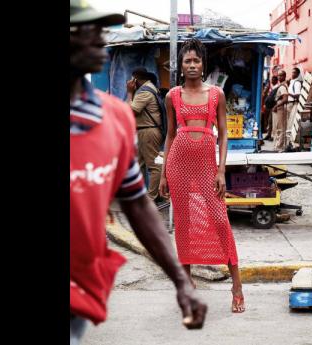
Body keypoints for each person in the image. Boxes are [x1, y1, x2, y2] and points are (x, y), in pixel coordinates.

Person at [70, 2, 207, 344]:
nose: (101, 39)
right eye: (88, 31)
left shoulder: (113, 117)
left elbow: (135, 203)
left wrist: (180, 280)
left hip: (80, 292)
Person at [158, 38, 245, 313]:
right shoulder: (172, 95)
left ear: (203, 64)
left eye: (197, 60)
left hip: (208, 166)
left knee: (220, 221)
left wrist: (221, 170)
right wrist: (163, 175)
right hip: (178, 164)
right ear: (181, 66)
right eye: (188, 61)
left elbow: (223, 133)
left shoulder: (216, 94)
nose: (192, 65)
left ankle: (237, 287)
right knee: (183, 225)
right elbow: (170, 135)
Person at [126, 67, 164, 204]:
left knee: (154, 166)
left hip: (148, 131)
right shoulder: (149, 88)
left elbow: (131, 110)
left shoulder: (144, 92)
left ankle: (151, 197)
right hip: (145, 130)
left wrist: (129, 93)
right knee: (139, 164)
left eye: (132, 79)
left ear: (135, 79)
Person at [285, 67, 302, 150]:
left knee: (291, 124)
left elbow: (298, 95)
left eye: (294, 73)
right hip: (289, 104)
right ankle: (288, 144)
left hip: (293, 104)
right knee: (288, 124)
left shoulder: (297, 83)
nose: (292, 74)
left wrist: (288, 94)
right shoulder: (292, 82)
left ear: (298, 74)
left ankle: (290, 145)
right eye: (292, 72)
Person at [272, 69, 289, 152]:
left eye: (281, 75)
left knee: (281, 128)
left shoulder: (282, 86)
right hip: (279, 108)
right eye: (278, 75)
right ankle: (278, 146)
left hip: (281, 109)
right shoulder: (281, 85)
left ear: (284, 76)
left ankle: (280, 147)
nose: (279, 77)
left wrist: (276, 106)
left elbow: (285, 98)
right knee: (278, 127)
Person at [263, 75, 279, 141]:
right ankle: (269, 134)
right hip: (269, 107)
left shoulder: (277, 88)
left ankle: (271, 136)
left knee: (272, 122)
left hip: (273, 107)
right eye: (271, 80)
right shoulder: (272, 87)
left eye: (273, 80)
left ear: (276, 80)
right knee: (269, 121)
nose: (271, 81)